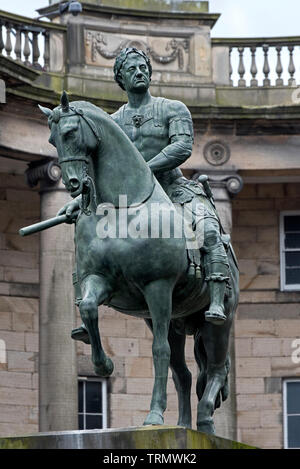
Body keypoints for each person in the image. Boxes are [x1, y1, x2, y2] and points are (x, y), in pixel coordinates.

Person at [59, 47, 230, 327]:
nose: (140, 73)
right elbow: (98, 169)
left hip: (174, 190)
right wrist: (80, 202)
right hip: (128, 199)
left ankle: (216, 299)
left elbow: (182, 146)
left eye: (143, 68)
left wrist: (143, 172)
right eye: (132, 70)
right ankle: (85, 302)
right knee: (87, 234)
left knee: (208, 226)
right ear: (121, 79)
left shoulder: (173, 108)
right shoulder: (112, 123)